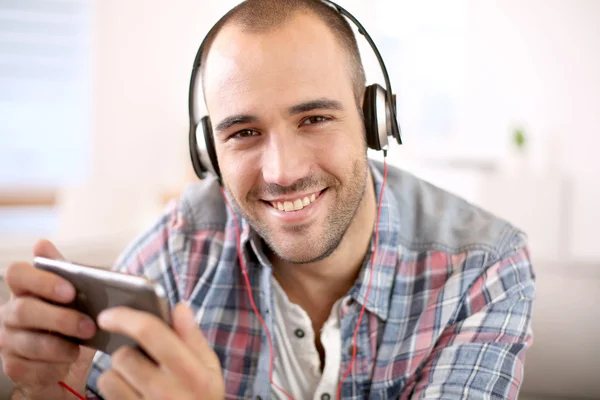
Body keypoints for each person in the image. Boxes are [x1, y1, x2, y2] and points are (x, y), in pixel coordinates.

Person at [0, 0, 536, 399]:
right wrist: (55, 390)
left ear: (374, 120)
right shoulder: (183, 240)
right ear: (209, 152)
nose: (283, 172)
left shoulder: (484, 267)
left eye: (315, 118)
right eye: (244, 133)